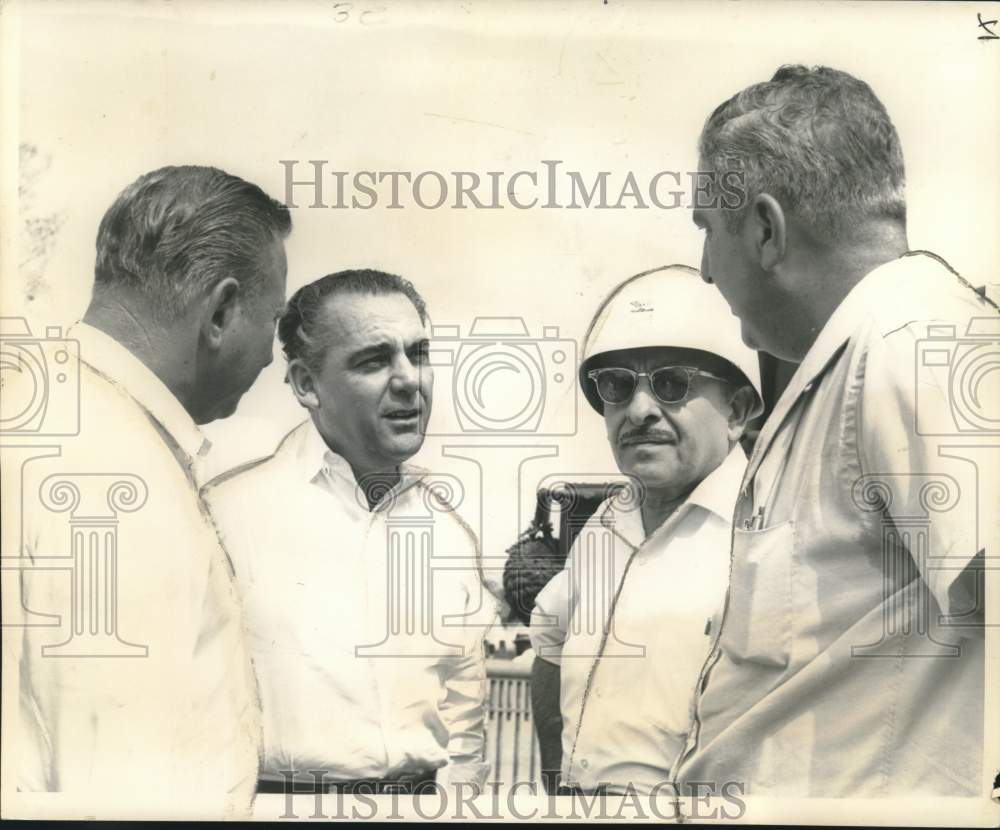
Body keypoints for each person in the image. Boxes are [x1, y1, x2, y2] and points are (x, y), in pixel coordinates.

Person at [684, 64, 995, 796]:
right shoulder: (873, 352)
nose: (702, 269)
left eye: (707, 229)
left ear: (764, 229)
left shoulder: (915, 342)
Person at [3, 165, 292, 817]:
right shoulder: (114, 478)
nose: (273, 356)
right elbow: (116, 791)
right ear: (220, 312)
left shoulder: (44, 411)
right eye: (272, 322)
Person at [203, 269, 494, 795]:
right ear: (306, 384)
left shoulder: (449, 531)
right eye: (374, 360)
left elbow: (465, 717)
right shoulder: (223, 517)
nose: (409, 379)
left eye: (419, 353)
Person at [528, 264, 763, 796]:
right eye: (615, 386)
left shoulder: (766, 530)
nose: (639, 411)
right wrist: (555, 785)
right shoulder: (603, 527)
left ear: (738, 409)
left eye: (672, 383)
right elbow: (548, 639)